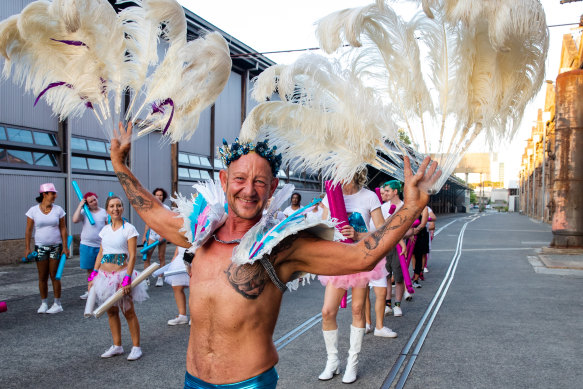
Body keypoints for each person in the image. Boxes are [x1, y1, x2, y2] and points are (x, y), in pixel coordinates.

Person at [109, 122, 439, 388]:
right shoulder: (199, 231)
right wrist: (120, 165)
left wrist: (410, 206)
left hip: (249, 383)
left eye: (259, 182)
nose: (248, 190)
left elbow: (359, 258)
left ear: (272, 188)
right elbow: (153, 212)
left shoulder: (282, 245)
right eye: (239, 179)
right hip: (193, 381)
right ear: (224, 180)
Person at [88, 195, 148, 360]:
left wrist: (127, 278)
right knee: (111, 311)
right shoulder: (105, 230)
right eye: (112, 206)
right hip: (104, 276)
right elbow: (101, 253)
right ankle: (117, 346)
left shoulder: (129, 229)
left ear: (122, 208)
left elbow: (133, 255)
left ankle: (136, 347)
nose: (115, 209)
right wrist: (93, 274)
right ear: (107, 210)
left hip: (122, 275)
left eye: (119, 206)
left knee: (128, 311)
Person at [25, 183, 69, 314]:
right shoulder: (33, 210)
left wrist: (65, 246)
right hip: (40, 247)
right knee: (42, 276)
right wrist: (27, 248)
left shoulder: (58, 210)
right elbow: (28, 230)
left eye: (55, 193)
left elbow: (63, 228)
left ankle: (57, 303)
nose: (55, 195)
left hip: (56, 246)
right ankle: (44, 303)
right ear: (44, 194)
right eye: (52, 193)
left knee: (55, 275)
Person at [379, 181, 407, 317]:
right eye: (384, 192)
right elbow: (381, 227)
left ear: (395, 192)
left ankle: (397, 304)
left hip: (400, 247)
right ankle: (388, 303)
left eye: (388, 191)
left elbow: (409, 229)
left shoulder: (405, 207)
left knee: (399, 276)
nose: (385, 194)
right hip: (386, 245)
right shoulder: (383, 208)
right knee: (386, 275)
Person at [72, 191, 107, 300]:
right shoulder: (84, 212)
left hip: (101, 246)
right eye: (91, 201)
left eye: (95, 199)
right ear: (87, 204)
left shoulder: (104, 212)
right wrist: (80, 206)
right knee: (89, 270)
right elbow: (74, 220)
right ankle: (90, 290)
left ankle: (102, 290)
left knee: (102, 270)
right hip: (87, 245)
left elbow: (108, 226)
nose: (94, 202)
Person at [142, 188, 170, 287]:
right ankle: (146, 278)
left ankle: (160, 278)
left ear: (163, 197)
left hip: (162, 235)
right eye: (157, 195)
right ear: (153, 196)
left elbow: (168, 223)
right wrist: (145, 235)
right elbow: (148, 222)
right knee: (147, 257)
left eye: (161, 195)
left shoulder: (166, 208)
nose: (159, 197)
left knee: (161, 257)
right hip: (152, 235)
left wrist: (164, 235)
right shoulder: (150, 208)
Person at [165, 246, 190, 326]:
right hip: (181, 257)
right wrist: (175, 256)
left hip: (196, 254)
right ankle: (182, 315)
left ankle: (195, 316)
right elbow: (178, 238)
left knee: (194, 288)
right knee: (176, 286)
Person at [411, 207, 429, 287]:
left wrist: (415, 231)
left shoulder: (424, 208)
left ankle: (416, 278)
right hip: (410, 234)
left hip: (420, 235)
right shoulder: (409, 205)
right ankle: (414, 273)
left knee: (419, 255)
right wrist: (410, 232)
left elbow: (423, 223)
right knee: (412, 255)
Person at [425, 207, 436, 273]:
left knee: (425, 250)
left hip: (425, 232)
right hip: (415, 232)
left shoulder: (427, 209)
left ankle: (424, 265)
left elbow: (433, 219)